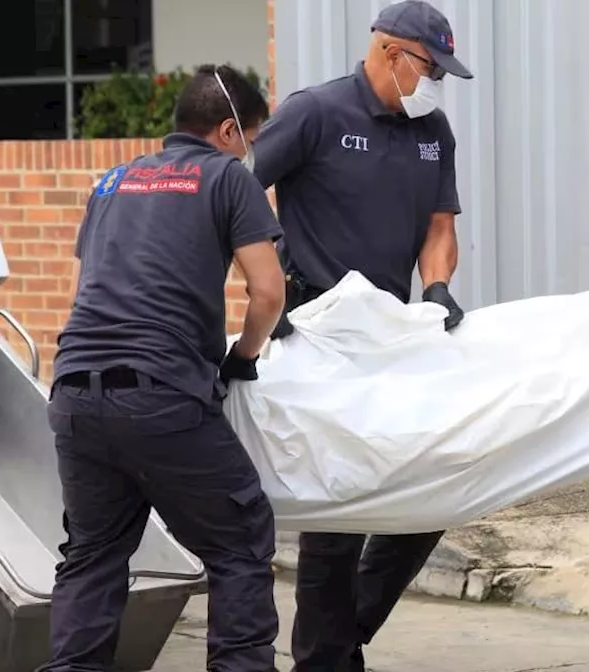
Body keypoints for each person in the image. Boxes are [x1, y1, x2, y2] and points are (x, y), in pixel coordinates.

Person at [41, 65, 286, 672]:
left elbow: (87, 290)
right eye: (251, 137)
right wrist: (242, 358)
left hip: (74, 391)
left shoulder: (112, 181)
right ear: (230, 130)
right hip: (160, 393)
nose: (249, 150)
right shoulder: (228, 178)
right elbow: (268, 293)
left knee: (93, 555)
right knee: (240, 539)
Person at [251, 1, 472, 669]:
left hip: (393, 332)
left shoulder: (432, 128)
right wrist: (272, 278)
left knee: (432, 490)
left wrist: (435, 288)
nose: (434, 83)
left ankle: (341, 642)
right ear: (389, 52)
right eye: (430, 68)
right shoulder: (314, 113)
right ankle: (328, 660)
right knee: (336, 517)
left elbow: (439, 227)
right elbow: (233, 195)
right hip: (316, 329)